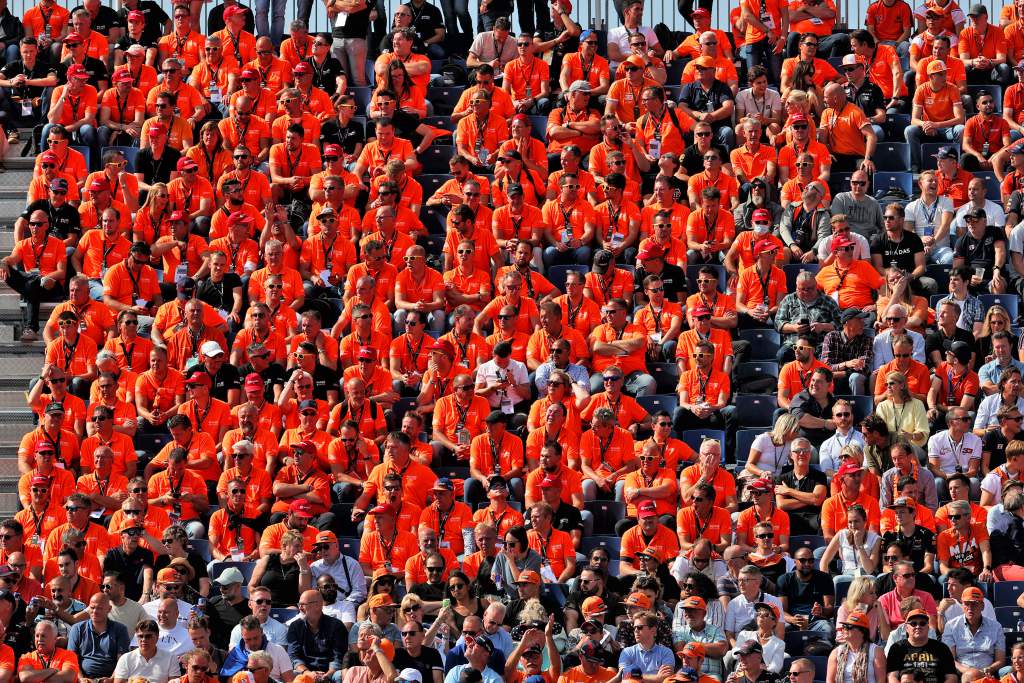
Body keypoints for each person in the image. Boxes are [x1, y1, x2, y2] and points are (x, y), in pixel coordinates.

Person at [884, 609, 958, 683]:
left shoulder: (942, 648)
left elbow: (952, 677)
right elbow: (891, 677)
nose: (918, 626)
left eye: (922, 623)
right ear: (906, 628)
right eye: (913, 623)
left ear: (928, 627)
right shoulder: (897, 648)